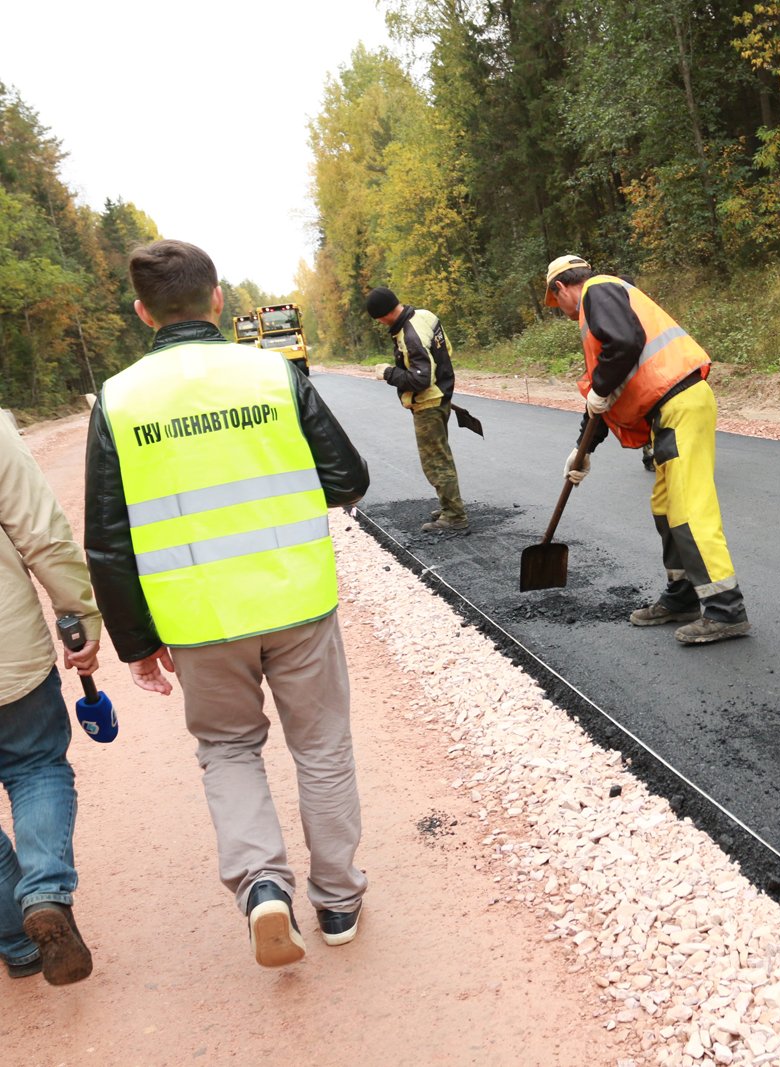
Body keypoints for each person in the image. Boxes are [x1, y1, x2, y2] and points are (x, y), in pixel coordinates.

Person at [84, 240, 371, 968]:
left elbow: (108, 544)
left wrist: (135, 641)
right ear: (217, 301)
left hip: (198, 620)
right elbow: (346, 477)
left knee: (228, 749)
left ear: (144, 311)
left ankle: (262, 888)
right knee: (322, 748)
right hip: (298, 601)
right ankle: (337, 901)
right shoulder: (274, 374)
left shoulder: (118, 401)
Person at [544, 254, 751, 644]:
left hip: (681, 404)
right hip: (669, 411)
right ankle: (682, 597)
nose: (564, 313)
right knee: (666, 507)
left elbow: (621, 350)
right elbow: (607, 392)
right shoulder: (605, 308)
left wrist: (601, 390)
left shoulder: (597, 291)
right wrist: (582, 450)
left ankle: (726, 610)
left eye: (559, 305)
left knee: (689, 509)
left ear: (560, 288)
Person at [0, 410, 99, 985]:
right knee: (35, 766)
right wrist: (78, 613)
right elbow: (41, 531)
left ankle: (16, 940)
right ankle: (42, 892)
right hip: (7, 650)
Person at [365, 286, 471, 531]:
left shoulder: (409, 335)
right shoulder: (425, 316)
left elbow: (421, 379)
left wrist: (388, 373)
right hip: (443, 394)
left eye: (378, 319)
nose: (380, 323)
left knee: (435, 461)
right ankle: (449, 505)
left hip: (429, 403)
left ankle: (454, 516)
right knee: (441, 455)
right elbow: (447, 350)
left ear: (383, 315)